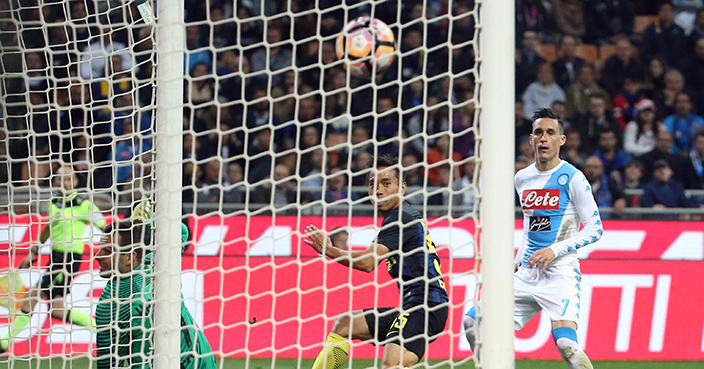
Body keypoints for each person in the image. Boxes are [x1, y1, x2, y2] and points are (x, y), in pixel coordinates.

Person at [464, 108, 602, 368]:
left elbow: (595, 228)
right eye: (538, 132)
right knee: (472, 321)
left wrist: (554, 251)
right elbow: (532, 225)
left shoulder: (573, 178)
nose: (543, 138)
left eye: (550, 133)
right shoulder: (522, 178)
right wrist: (517, 261)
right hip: (526, 271)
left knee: (567, 345)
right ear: (530, 139)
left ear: (561, 140)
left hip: (560, 272)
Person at [305, 154, 448, 369]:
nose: (378, 190)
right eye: (373, 184)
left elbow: (367, 263)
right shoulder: (398, 218)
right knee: (344, 325)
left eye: (386, 183)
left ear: (402, 188)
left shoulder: (401, 219)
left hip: (426, 307)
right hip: (412, 306)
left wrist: (329, 250)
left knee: (390, 364)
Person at [0, 165, 106, 354]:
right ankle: (103, 330)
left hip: (69, 260)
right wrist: (34, 252)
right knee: (56, 310)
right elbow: (48, 230)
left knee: (31, 298)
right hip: (54, 259)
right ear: (55, 181)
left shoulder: (84, 205)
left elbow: (104, 226)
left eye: (68, 179)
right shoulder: (53, 204)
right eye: (60, 179)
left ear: (75, 182)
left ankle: (5, 343)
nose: (64, 183)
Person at [95, 207, 216, 369]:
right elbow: (181, 232)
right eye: (100, 250)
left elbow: (181, 233)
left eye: (108, 251)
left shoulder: (154, 266)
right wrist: (144, 220)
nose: (98, 256)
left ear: (130, 257)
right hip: (201, 360)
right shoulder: (155, 267)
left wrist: (145, 219)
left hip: (201, 362)